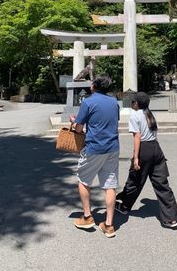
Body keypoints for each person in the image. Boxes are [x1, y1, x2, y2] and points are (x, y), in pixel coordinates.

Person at [115, 92, 177, 228]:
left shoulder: (135, 115)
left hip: (144, 149)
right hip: (156, 149)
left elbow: (137, 137)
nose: (132, 104)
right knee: (162, 184)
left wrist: (136, 158)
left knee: (135, 180)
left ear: (136, 104)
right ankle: (171, 218)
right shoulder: (150, 114)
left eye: (133, 102)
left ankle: (125, 206)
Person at [70, 74, 119, 238]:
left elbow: (78, 129)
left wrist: (73, 121)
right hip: (112, 148)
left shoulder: (88, 102)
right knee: (110, 185)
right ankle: (109, 225)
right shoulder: (114, 102)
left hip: (94, 148)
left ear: (94, 86)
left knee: (83, 180)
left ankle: (87, 216)